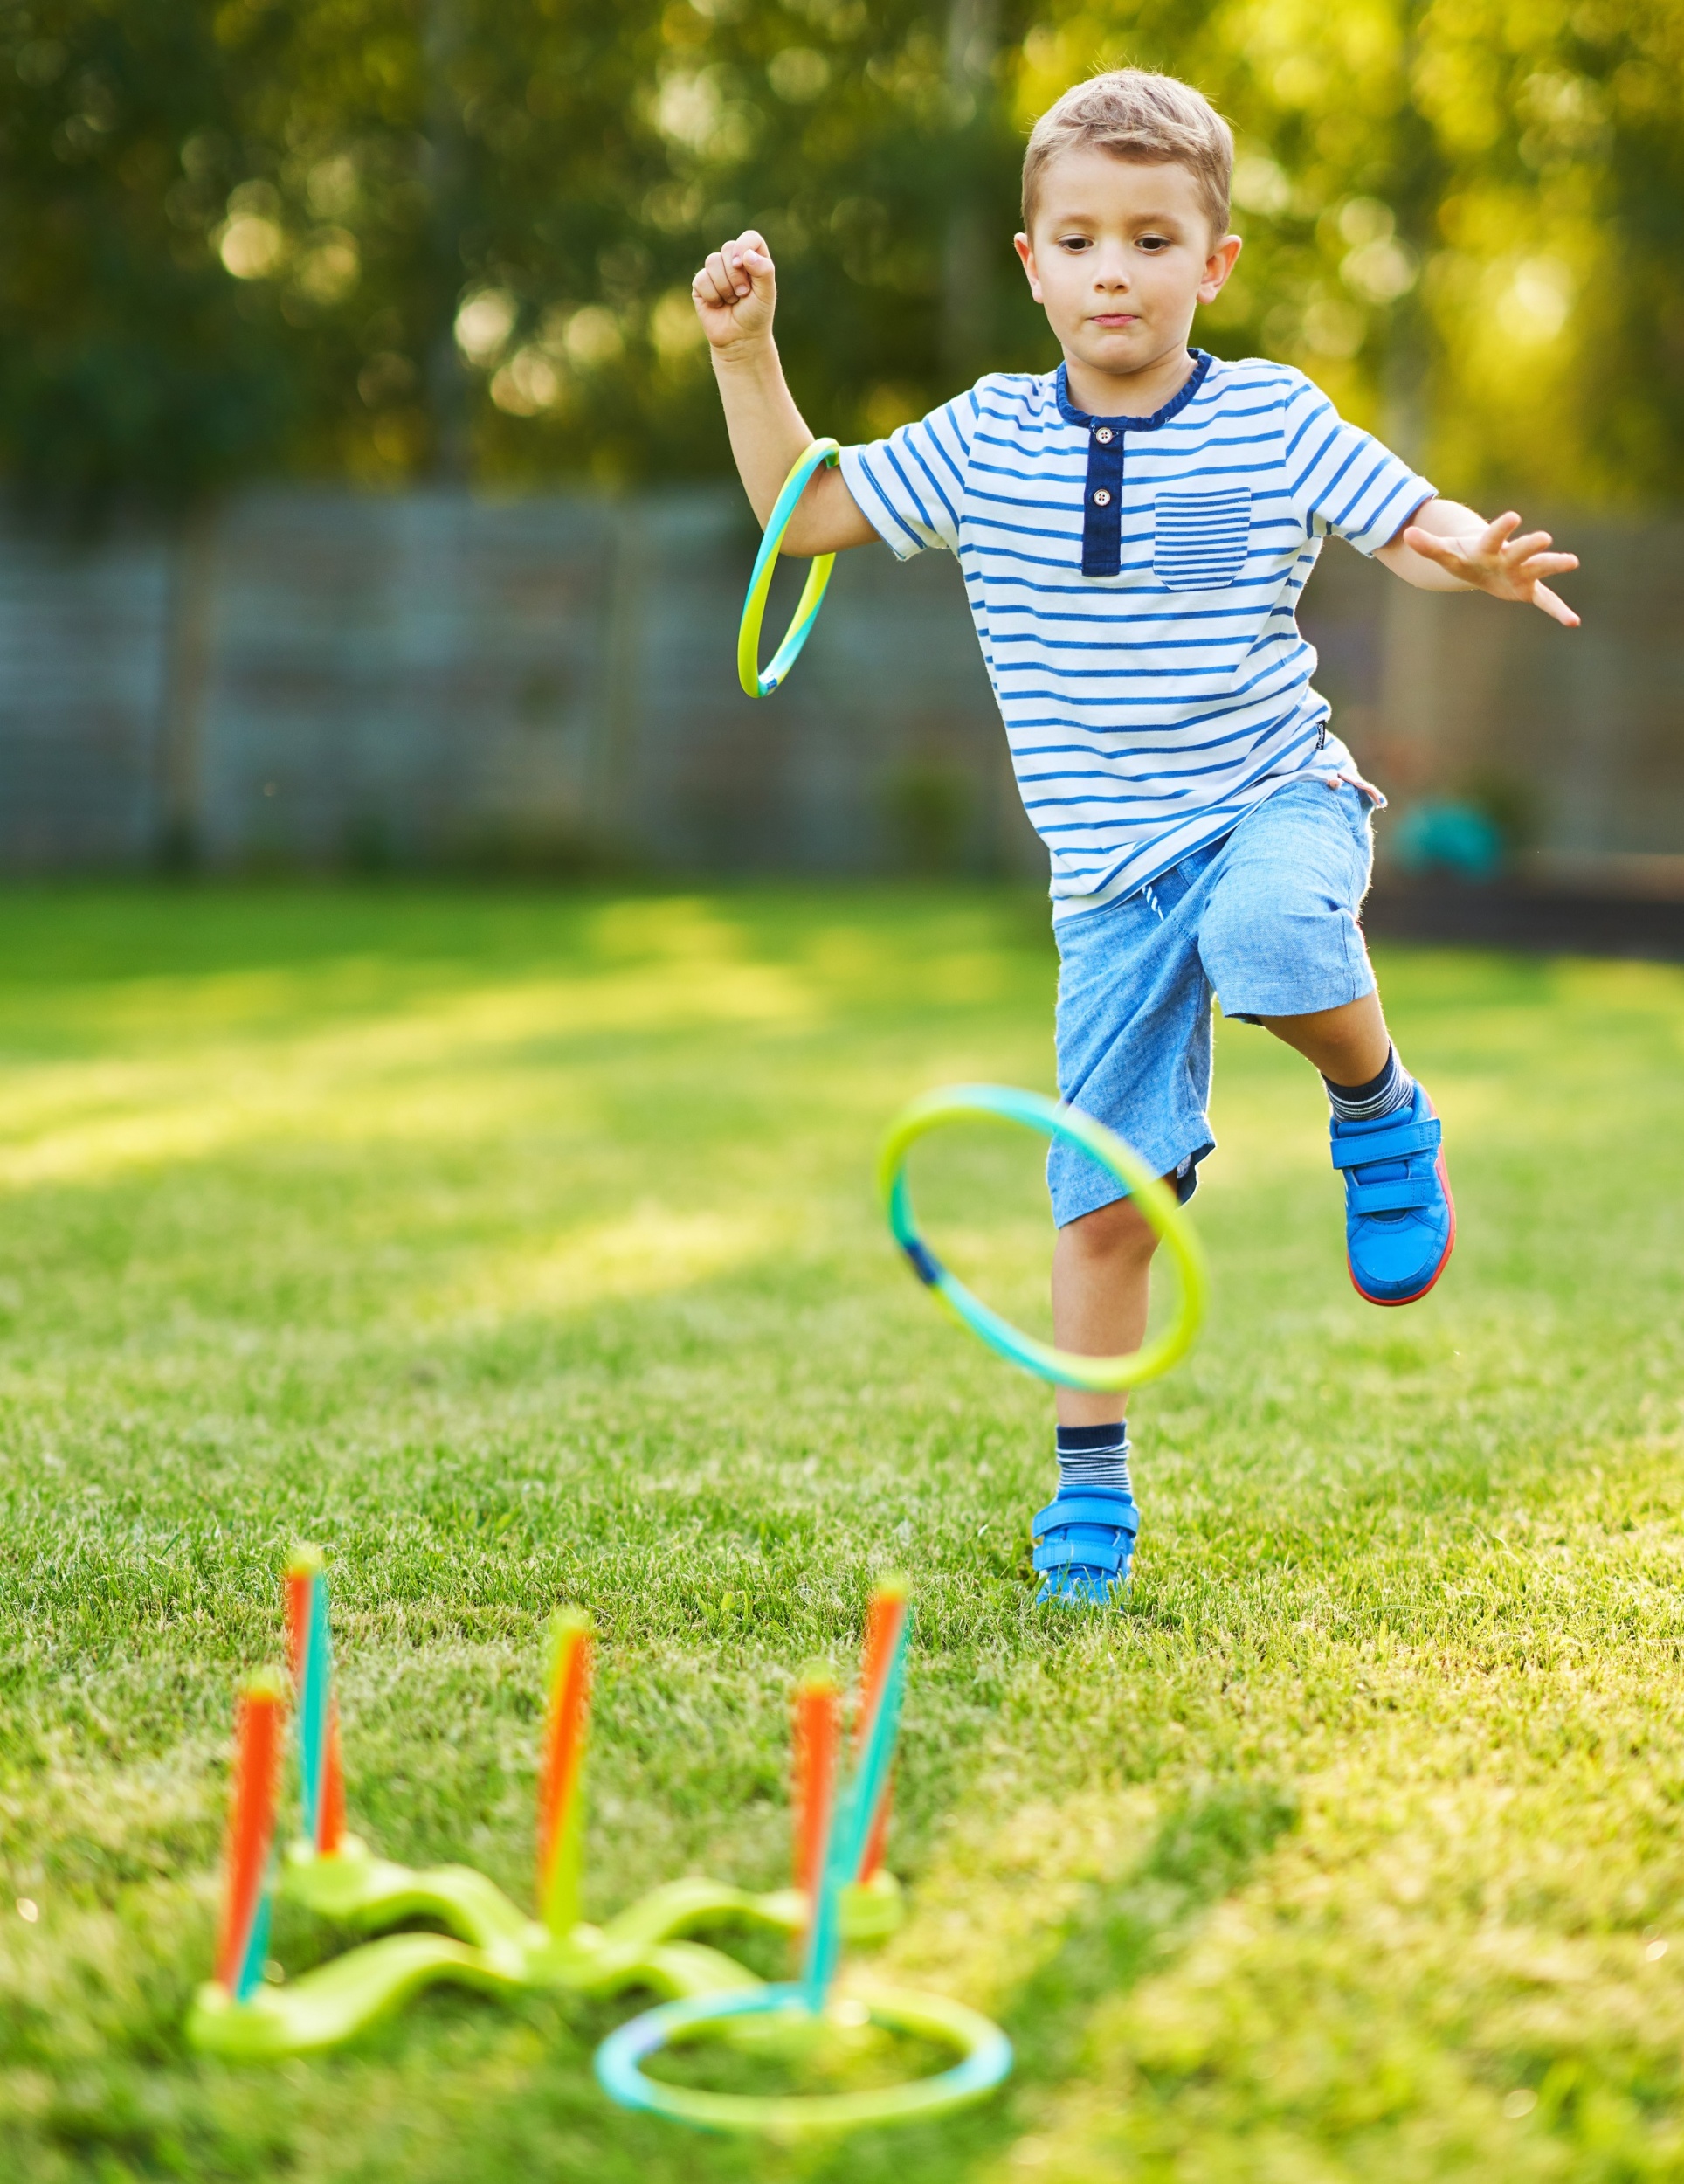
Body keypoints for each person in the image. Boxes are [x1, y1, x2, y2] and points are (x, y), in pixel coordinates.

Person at [691, 68, 1580, 1608]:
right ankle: (1088, 1503)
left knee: (1273, 937)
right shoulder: (984, 442)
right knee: (1104, 1209)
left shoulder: (1269, 418)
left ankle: (1378, 1111)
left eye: (1155, 240)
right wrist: (746, 349)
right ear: (1035, 264)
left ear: (1214, 261)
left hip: (1268, 802)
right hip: (1103, 885)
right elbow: (804, 516)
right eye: (1085, 240)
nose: (1119, 269)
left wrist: (1474, 559)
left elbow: (1408, 520)